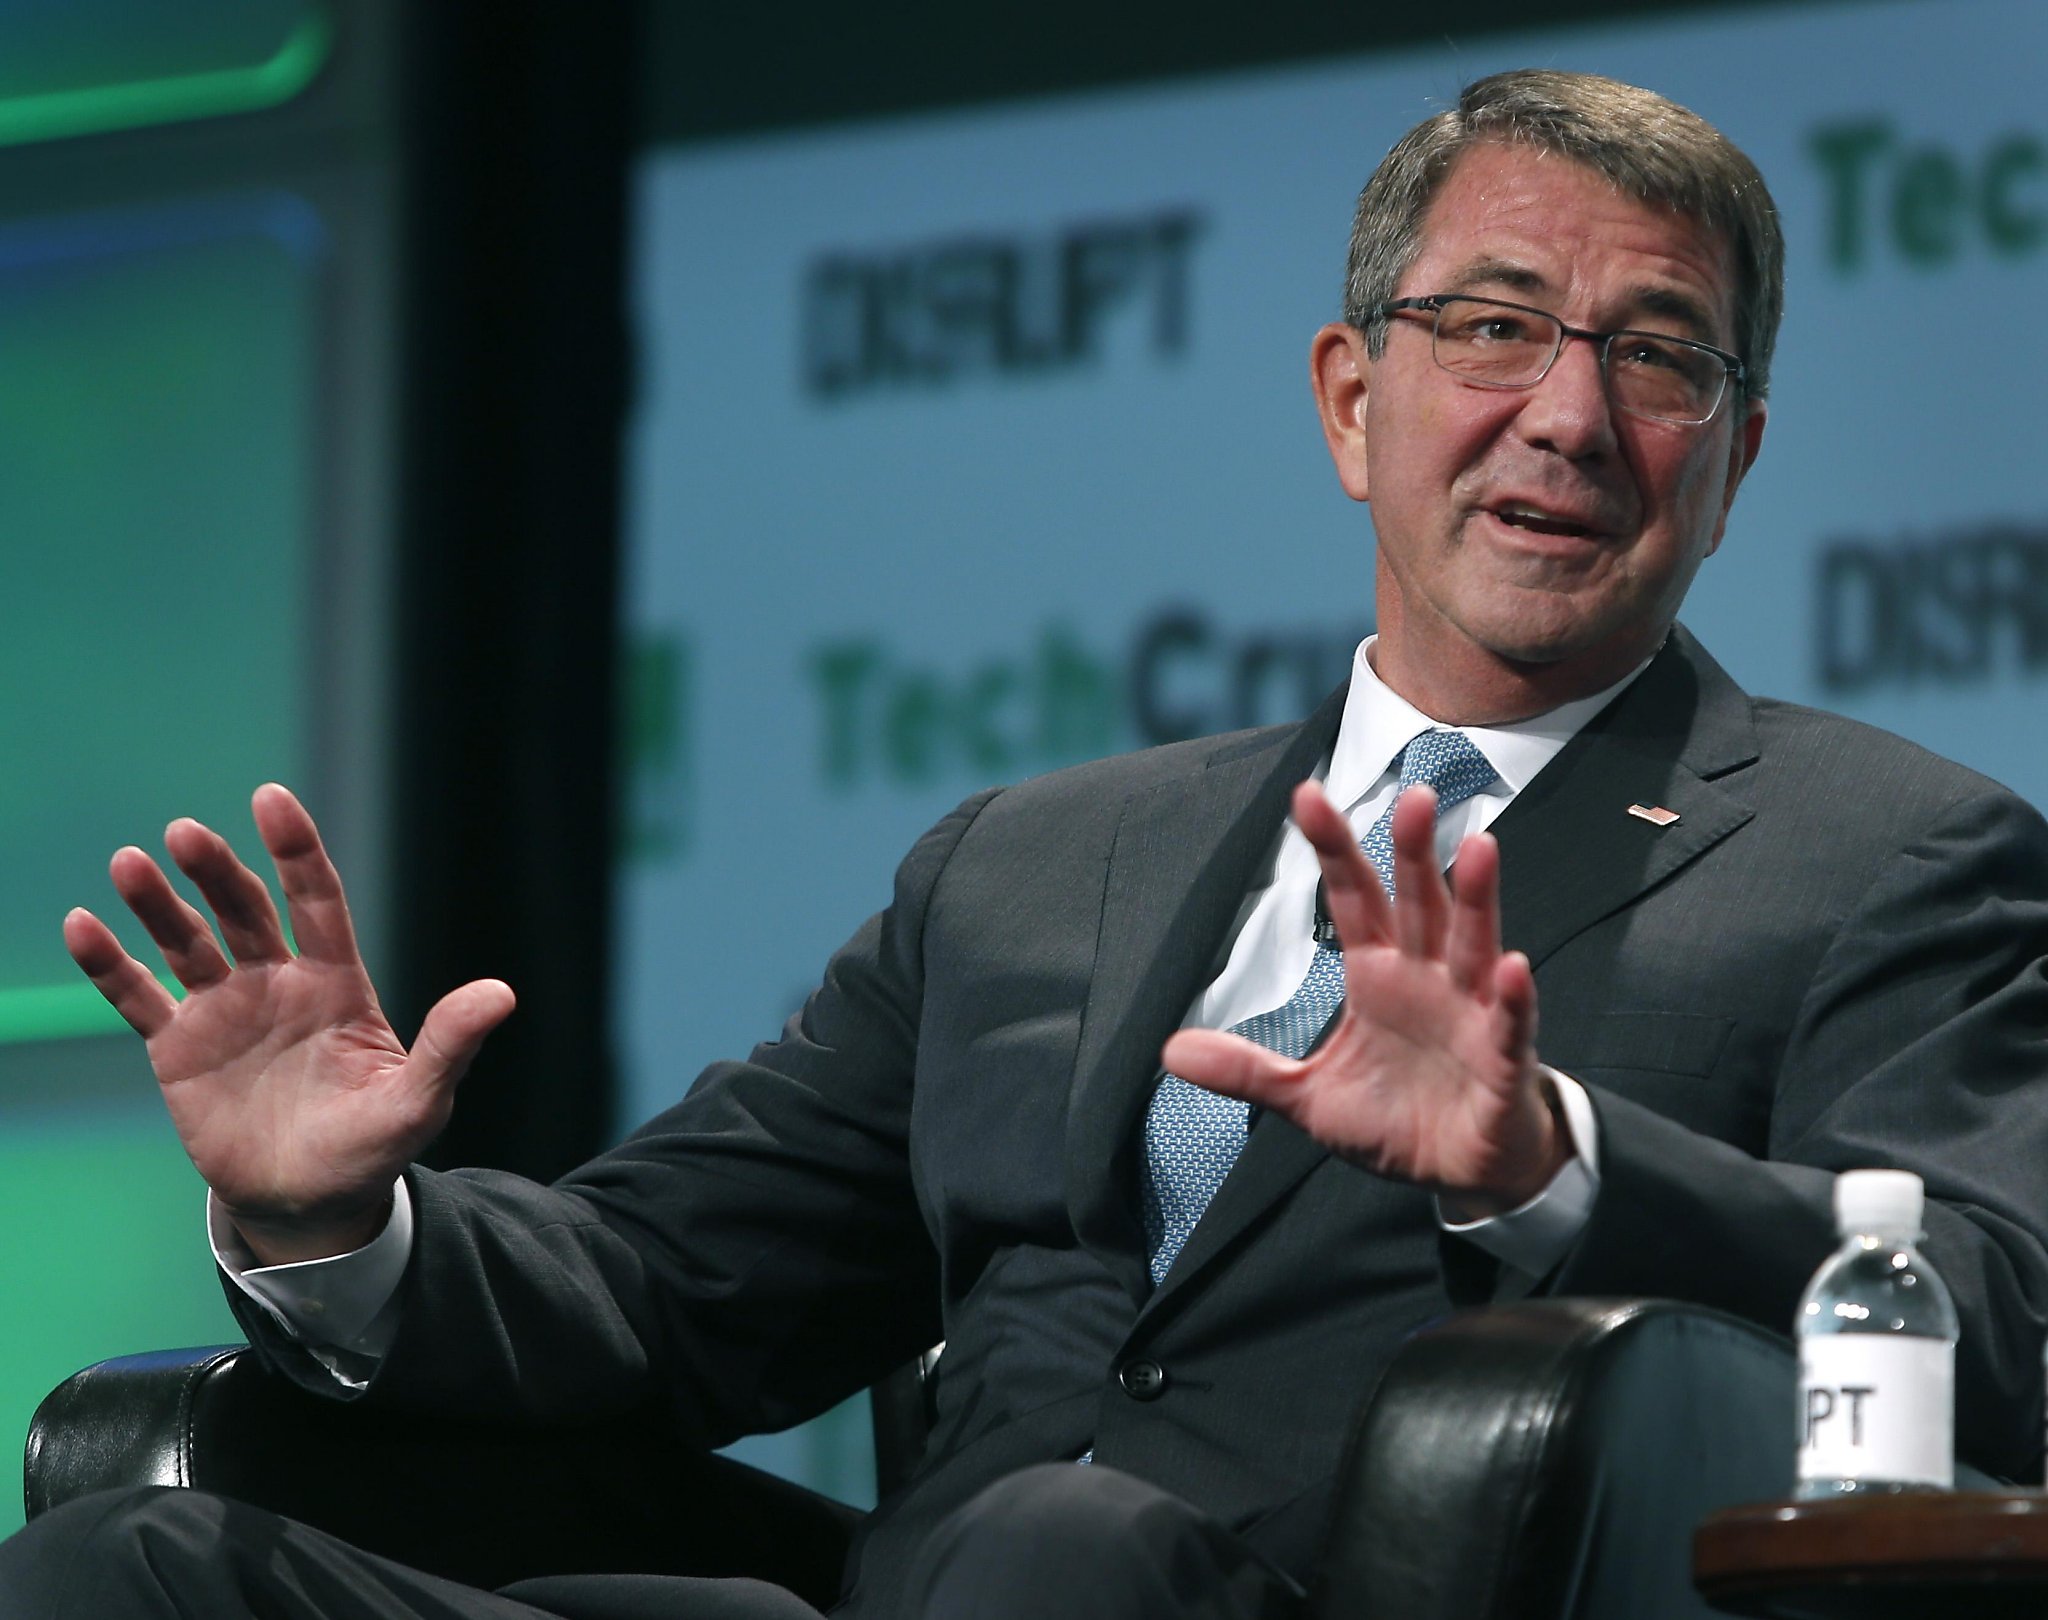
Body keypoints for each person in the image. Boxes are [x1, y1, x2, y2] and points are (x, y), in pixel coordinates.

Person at [10, 67, 2048, 1620]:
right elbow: (662, 1285)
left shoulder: (1888, 853)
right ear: (1352, 401)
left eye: (1659, 356)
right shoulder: (1037, 859)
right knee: (127, 1562)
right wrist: (329, 1229)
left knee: (1060, 1553)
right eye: (1493, 327)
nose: (1569, 416)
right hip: (914, 1593)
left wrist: (1552, 1168)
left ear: (1738, 462)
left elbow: (1987, 1306)